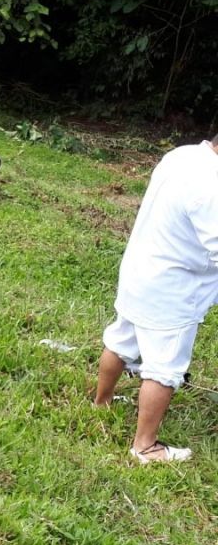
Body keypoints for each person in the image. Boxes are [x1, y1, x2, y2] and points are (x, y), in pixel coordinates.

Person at [93, 135, 218, 463]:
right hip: (173, 288)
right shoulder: (212, 185)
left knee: (121, 339)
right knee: (165, 367)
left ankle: (101, 402)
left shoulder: (183, 156)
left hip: (140, 269)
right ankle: (145, 446)